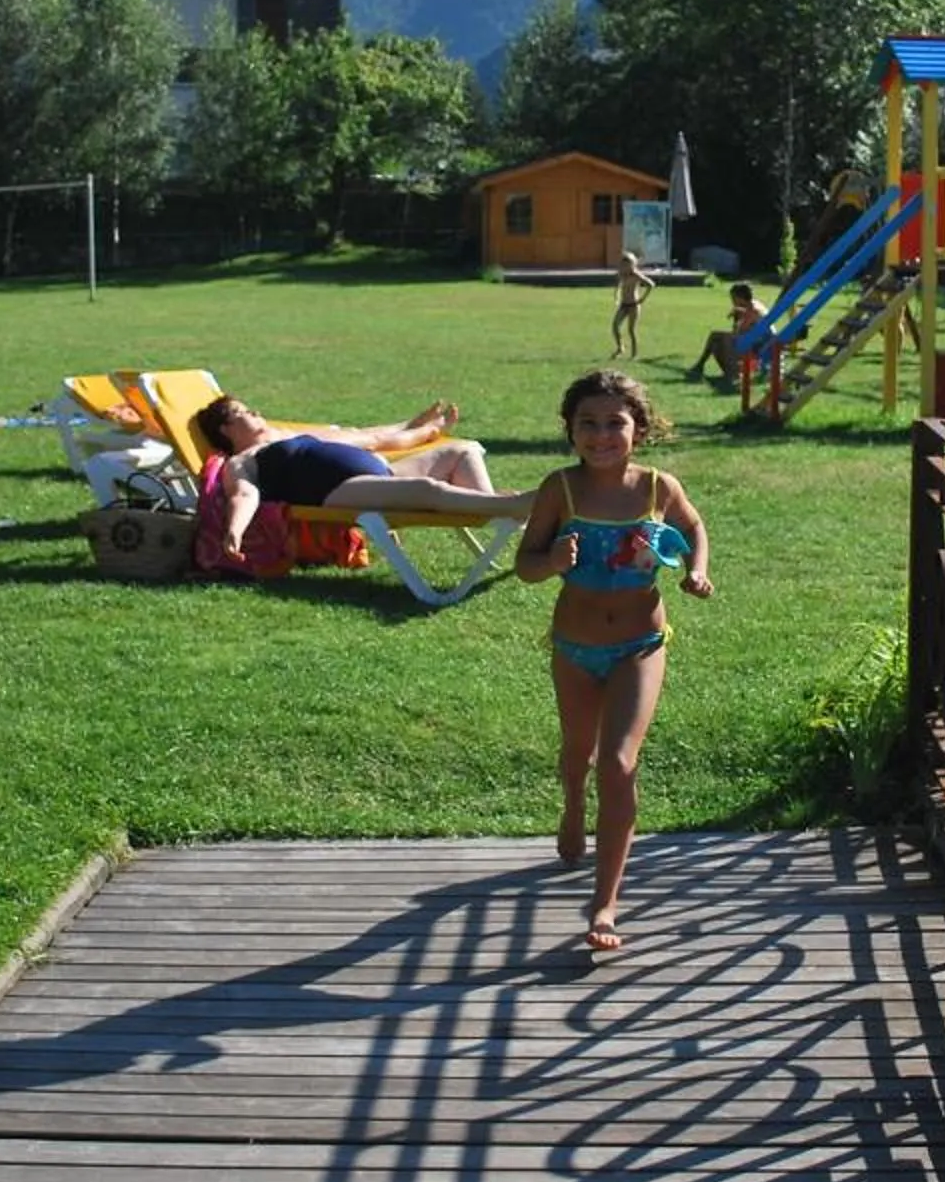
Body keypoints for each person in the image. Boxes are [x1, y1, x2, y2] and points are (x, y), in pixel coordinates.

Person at [514, 369, 712, 957]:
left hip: (640, 644)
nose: (601, 435)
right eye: (588, 424)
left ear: (640, 429)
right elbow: (525, 565)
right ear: (570, 430)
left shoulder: (657, 488)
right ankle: (573, 805)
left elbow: (693, 525)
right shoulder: (561, 490)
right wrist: (551, 560)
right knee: (581, 753)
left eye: (615, 423)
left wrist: (697, 569)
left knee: (620, 762)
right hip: (574, 649)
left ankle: (604, 902)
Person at [192, 394, 528, 559]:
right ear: (226, 429)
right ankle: (511, 505)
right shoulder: (242, 461)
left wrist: (413, 429)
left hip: (382, 471)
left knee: (462, 450)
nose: (256, 412)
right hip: (338, 491)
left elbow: (364, 436)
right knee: (427, 489)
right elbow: (244, 495)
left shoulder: (285, 435)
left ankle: (495, 509)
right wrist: (234, 531)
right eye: (244, 412)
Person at [684, 282, 764, 382]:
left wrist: (737, 319)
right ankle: (703, 366)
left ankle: (730, 372)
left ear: (739, 297)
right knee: (716, 339)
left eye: (733, 298)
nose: (732, 301)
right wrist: (739, 313)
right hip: (755, 344)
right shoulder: (754, 305)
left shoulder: (753, 310)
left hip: (758, 349)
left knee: (720, 339)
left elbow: (738, 334)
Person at [609, 250, 656, 359]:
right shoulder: (621, 274)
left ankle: (634, 354)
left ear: (632, 264)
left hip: (633, 305)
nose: (625, 267)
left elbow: (651, 284)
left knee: (631, 330)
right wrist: (616, 296)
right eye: (623, 264)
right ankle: (620, 348)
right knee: (615, 326)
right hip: (623, 304)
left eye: (627, 264)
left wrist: (643, 298)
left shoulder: (636, 275)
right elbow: (618, 286)